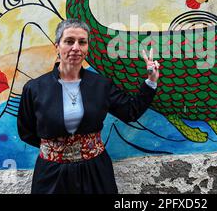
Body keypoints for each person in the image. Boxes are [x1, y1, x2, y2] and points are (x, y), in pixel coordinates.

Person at [17, 18, 160, 194]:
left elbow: (130, 112)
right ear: (57, 46)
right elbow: (26, 132)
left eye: (82, 42)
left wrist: (151, 82)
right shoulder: (35, 88)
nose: (76, 47)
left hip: (95, 171)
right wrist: (58, 149)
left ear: (87, 48)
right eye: (69, 41)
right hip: (51, 173)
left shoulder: (101, 85)